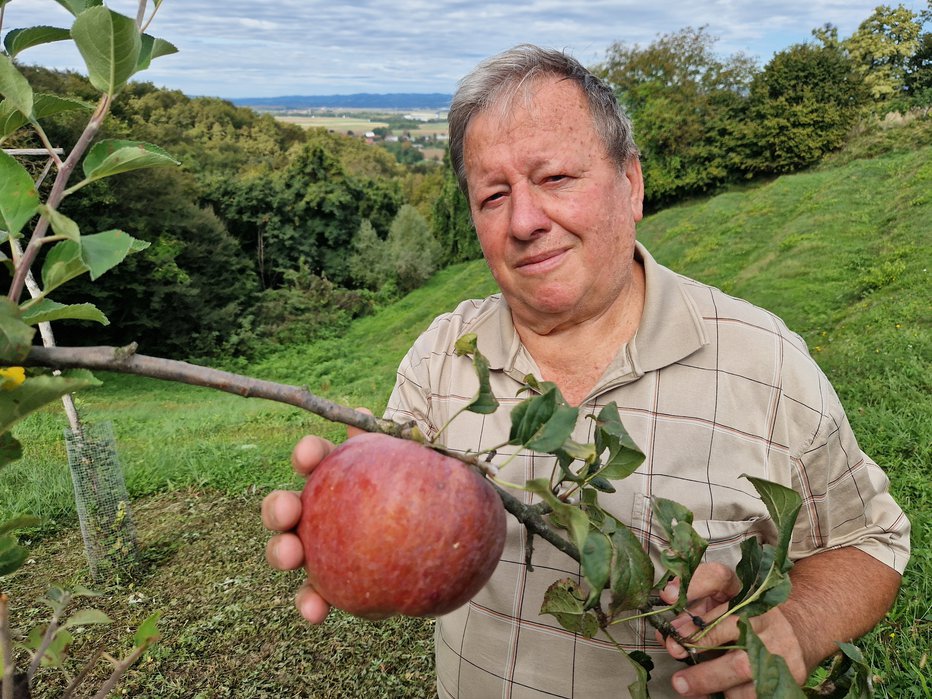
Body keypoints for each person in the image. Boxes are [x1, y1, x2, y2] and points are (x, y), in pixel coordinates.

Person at [262, 45, 910, 698]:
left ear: (631, 183)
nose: (523, 221)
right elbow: (390, 504)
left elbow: (872, 541)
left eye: (556, 179)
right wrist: (344, 531)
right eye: (493, 195)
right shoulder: (445, 350)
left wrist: (796, 623)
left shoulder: (763, 363)